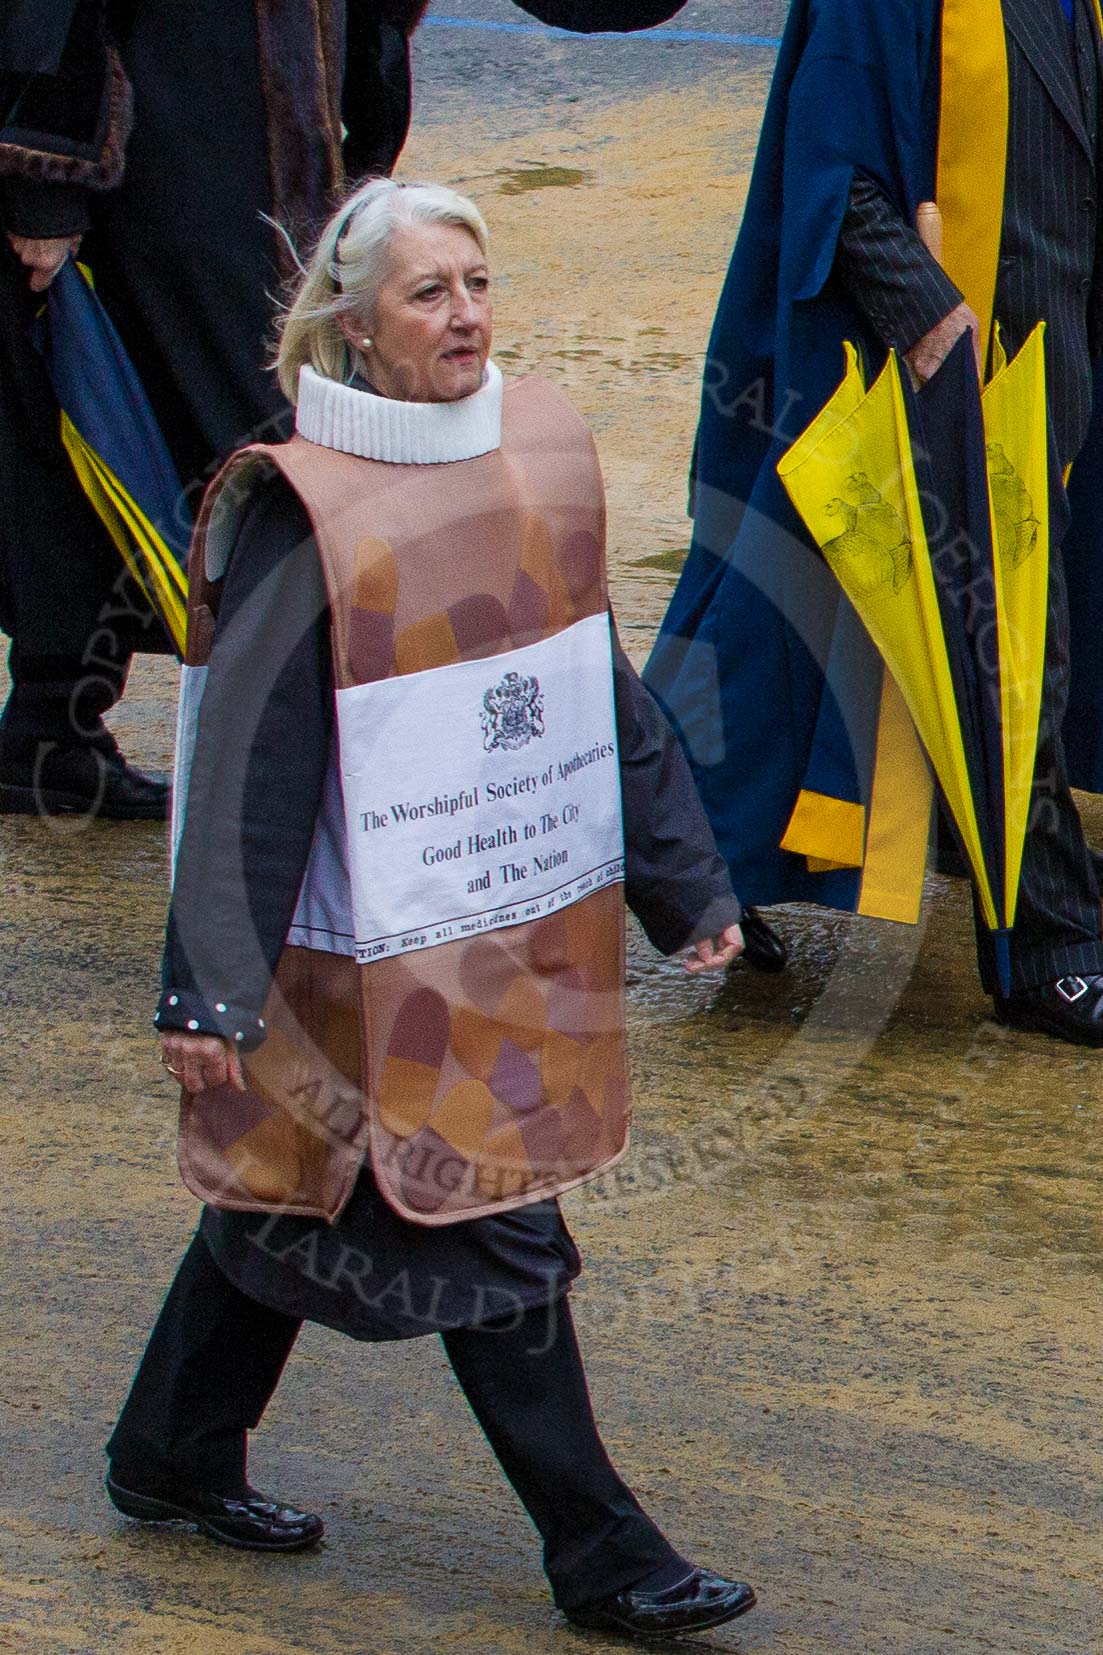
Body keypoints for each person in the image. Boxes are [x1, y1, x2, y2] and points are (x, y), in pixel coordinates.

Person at [104, 179, 757, 1642]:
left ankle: (170, 1448)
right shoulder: (301, 509)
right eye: (425, 291)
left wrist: (682, 882)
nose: (464, 313)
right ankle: (603, 1552)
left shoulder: (526, 450)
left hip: (492, 934)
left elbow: (592, 687)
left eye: (477, 280)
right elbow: (245, 779)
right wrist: (208, 992)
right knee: (488, 1219)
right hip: (349, 953)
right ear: (349, 325)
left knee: (296, 1187)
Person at [0, 0, 690, 820]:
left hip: (276, 141)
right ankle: (291, 763)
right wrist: (45, 169)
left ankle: (51, 731)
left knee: (199, 444)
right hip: (161, 146)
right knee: (237, 458)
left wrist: (367, 82)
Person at [646, 0, 1103, 1045]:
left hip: (1050, 360)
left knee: (780, 649)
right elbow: (825, 172)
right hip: (934, 373)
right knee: (1010, 656)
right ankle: (1047, 947)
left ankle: (668, 853)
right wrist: (924, 315)